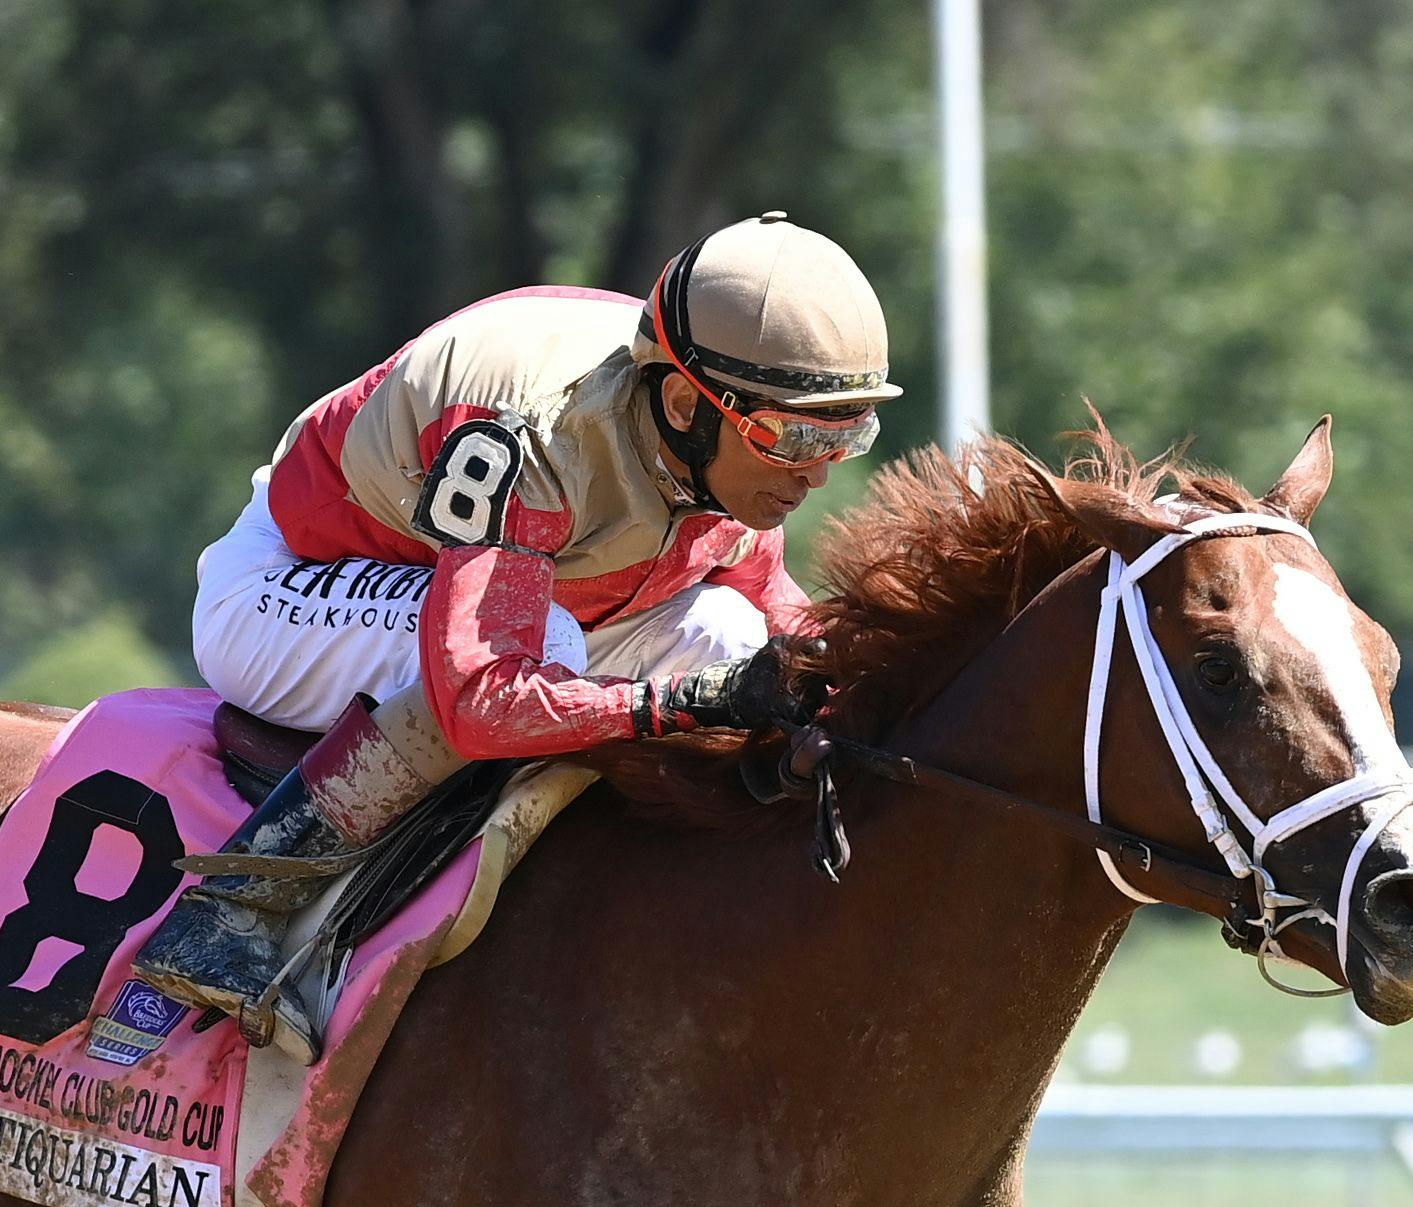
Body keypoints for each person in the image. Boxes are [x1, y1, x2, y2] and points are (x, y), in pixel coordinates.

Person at [127, 211, 901, 1057]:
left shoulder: (719, 447)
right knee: (551, 650)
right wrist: (687, 702)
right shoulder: (529, 436)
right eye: (793, 435)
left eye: (845, 433)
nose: (818, 472)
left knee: (730, 634)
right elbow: (480, 700)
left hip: (490, 591)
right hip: (279, 591)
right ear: (684, 403)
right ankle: (229, 908)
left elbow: (772, 614)